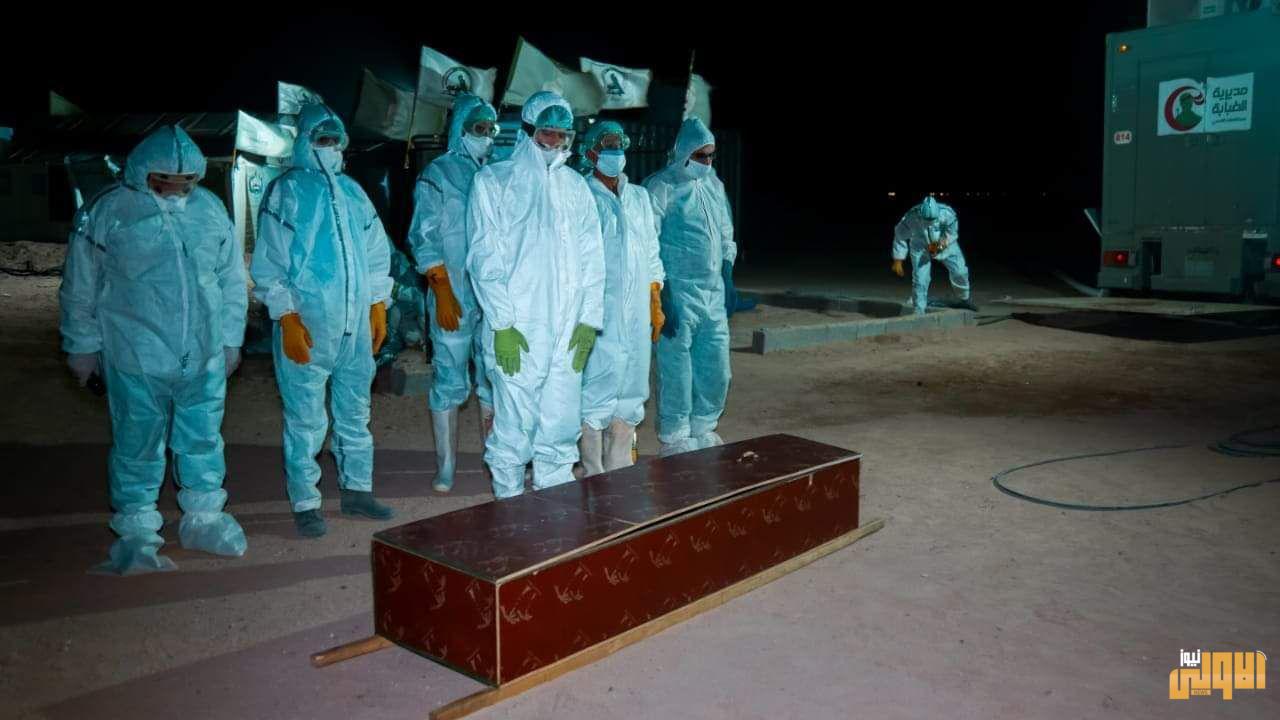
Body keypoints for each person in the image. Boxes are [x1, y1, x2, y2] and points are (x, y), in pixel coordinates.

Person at [59, 125, 248, 574]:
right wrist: (82, 347)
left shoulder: (209, 210)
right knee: (138, 442)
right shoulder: (109, 211)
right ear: (143, 173)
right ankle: (138, 531)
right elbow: (81, 286)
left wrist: (230, 339)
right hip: (135, 353)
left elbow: (230, 280)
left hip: (201, 351)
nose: (176, 190)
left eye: (186, 182)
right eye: (164, 181)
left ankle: (204, 517)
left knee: (203, 437)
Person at [250, 103, 395, 538]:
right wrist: (287, 316)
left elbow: (376, 253)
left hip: (354, 329)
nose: (330, 147)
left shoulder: (353, 192)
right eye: (322, 140)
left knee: (355, 412)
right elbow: (270, 264)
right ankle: (306, 501)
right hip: (309, 327)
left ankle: (357, 490)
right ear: (304, 142)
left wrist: (377, 304)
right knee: (306, 420)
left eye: (335, 140)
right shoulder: (287, 192)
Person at [466, 91, 605, 498]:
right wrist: (502, 324)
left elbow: (593, 259)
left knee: (561, 425)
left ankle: (555, 510)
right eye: (547, 133)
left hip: (568, 330)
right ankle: (509, 508)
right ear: (527, 131)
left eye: (563, 135)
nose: (555, 143)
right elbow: (484, 260)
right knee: (514, 427)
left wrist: (589, 320)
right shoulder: (494, 182)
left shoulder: (575, 187)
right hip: (518, 329)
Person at [407, 94, 499, 492]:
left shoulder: (495, 174)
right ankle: (446, 466)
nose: (487, 136)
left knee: (493, 376)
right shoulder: (438, 174)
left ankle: (496, 457)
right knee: (449, 376)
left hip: (492, 296)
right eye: (479, 128)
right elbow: (423, 234)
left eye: (491, 129)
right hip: (454, 292)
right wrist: (441, 288)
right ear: (460, 129)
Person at [577, 121, 665, 474]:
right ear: (590, 153)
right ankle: (592, 470)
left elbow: (651, 251)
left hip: (636, 313)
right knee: (596, 385)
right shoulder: (582, 196)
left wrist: (654, 297)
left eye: (619, 144)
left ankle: (620, 468)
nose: (615, 152)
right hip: (600, 311)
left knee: (632, 385)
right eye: (607, 145)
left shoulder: (639, 197)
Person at [645, 117, 735, 457]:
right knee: (676, 366)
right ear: (684, 153)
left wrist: (727, 273)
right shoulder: (662, 186)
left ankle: (703, 425)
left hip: (712, 292)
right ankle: (675, 433)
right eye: (700, 155)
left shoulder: (714, 184)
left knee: (716, 365)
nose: (706, 162)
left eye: (711, 155)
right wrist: (661, 292)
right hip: (678, 291)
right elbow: (648, 241)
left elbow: (725, 232)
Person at [891, 195, 976, 314]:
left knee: (960, 272)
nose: (929, 223)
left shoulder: (947, 213)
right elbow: (900, 235)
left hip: (945, 244)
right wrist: (898, 259)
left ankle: (964, 299)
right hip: (920, 246)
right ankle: (919, 311)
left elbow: (951, 233)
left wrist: (939, 246)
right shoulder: (911, 217)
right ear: (920, 214)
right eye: (926, 220)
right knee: (920, 279)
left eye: (932, 220)